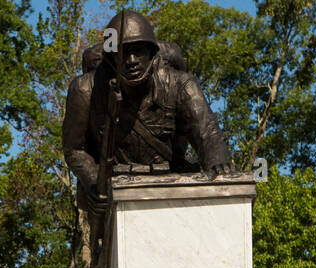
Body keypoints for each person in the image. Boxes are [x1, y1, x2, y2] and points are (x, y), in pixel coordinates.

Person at [62, 9, 233, 218]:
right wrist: (95, 182)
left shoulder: (180, 85)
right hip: (115, 186)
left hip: (171, 182)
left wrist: (218, 165)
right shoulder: (85, 90)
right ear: (111, 59)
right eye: (123, 52)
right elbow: (74, 149)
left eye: (139, 50)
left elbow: (208, 133)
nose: (132, 60)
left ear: (152, 53)